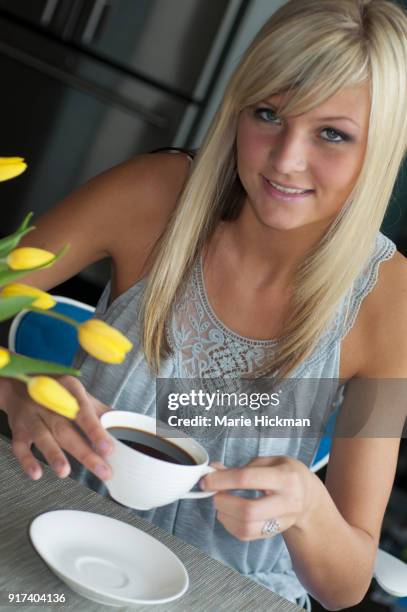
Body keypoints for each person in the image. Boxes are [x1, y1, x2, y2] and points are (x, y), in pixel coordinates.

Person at [2, 0, 407, 608]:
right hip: (58, 552)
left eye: (332, 134)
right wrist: (12, 391)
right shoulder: (152, 196)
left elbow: (346, 586)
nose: (285, 158)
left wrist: (306, 512)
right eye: (268, 113)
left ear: (379, 149)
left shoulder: (391, 301)